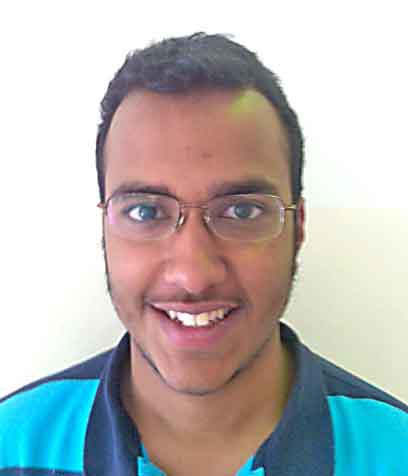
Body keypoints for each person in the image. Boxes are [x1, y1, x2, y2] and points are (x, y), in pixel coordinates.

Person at [0, 33, 407, 476]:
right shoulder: (11, 448)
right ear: (105, 228)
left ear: (298, 227)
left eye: (242, 211)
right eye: (145, 211)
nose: (193, 275)